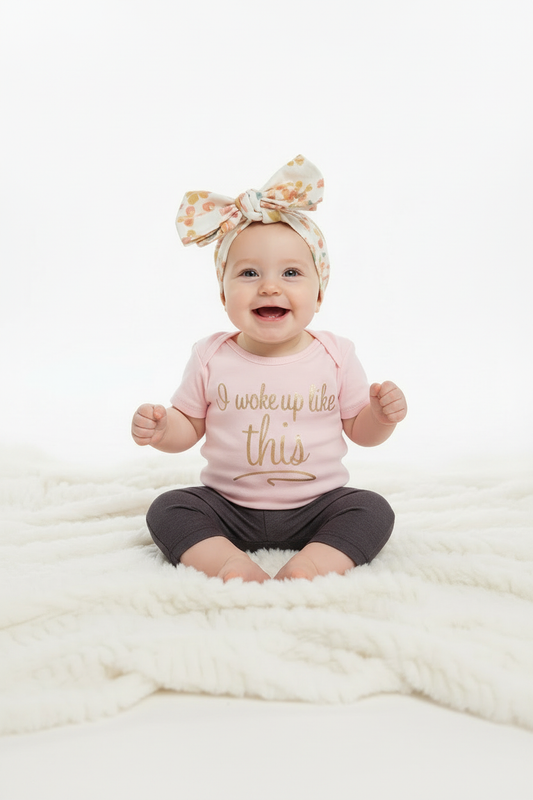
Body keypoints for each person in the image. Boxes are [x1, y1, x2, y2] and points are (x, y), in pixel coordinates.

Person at [131, 155, 407, 583]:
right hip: (227, 506)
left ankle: (313, 563)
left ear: (319, 295)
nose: (269, 286)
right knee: (169, 508)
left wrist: (381, 417)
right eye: (249, 273)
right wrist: (164, 429)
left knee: (371, 509)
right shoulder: (210, 355)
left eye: (292, 272)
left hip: (319, 505)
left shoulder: (336, 354)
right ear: (223, 296)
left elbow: (360, 431)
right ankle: (228, 562)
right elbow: (190, 426)